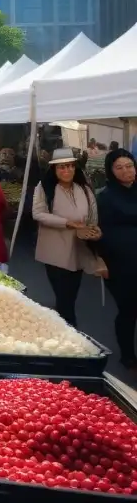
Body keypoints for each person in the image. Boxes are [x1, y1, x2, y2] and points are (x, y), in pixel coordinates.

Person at [32, 148, 103, 327]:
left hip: (79, 248)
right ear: (54, 169)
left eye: (70, 166)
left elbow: (93, 216)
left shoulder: (84, 188)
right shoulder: (44, 187)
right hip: (54, 250)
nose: (67, 171)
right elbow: (38, 214)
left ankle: (62, 327)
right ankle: (70, 330)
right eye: (62, 167)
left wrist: (94, 231)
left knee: (70, 294)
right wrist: (68, 223)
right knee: (64, 296)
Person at [97, 149, 137, 368]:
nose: (126, 171)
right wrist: (100, 259)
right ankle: (128, 354)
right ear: (111, 171)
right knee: (128, 308)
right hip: (119, 263)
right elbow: (97, 231)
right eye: (119, 167)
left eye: (129, 166)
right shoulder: (104, 197)